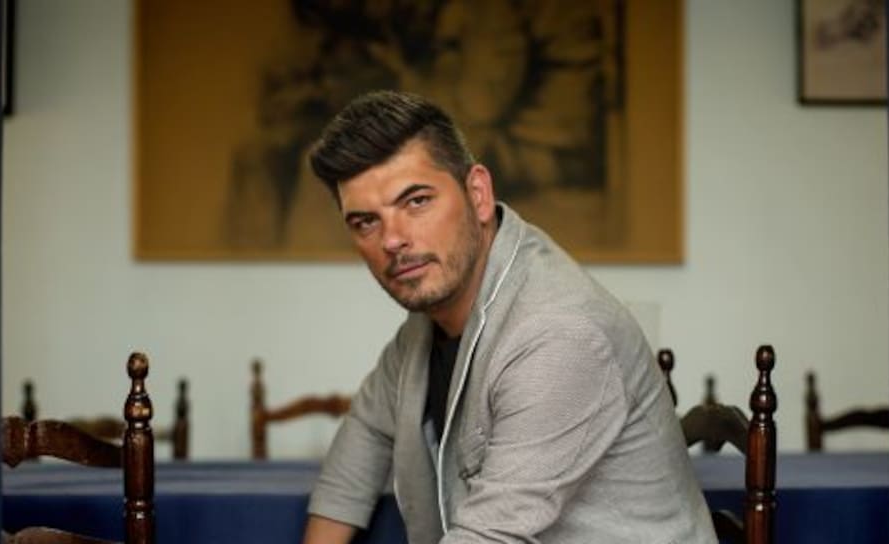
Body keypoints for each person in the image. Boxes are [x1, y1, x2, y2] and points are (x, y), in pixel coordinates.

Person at [302, 90, 715, 544]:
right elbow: (350, 469)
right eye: (365, 222)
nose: (392, 240)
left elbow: (489, 538)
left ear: (478, 194)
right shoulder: (424, 330)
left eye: (416, 201)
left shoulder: (559, 334)